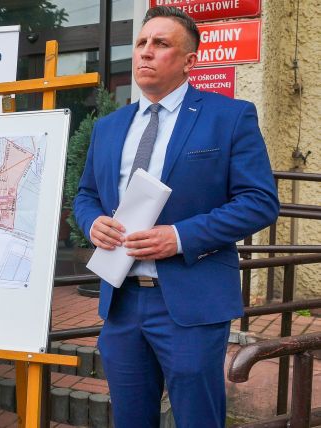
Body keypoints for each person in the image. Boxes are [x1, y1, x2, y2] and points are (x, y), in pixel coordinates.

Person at [73, 6, 279, 427]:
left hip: (191, 301)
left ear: (189, 61)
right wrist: (92, 223)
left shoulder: (229, 117)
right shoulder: (108, 127)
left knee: (197, 419)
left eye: (161, 43)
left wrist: (180, 237)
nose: (146, 52)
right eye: (141, 43)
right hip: (122, 301)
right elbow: (86, 195)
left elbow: (259, 201)